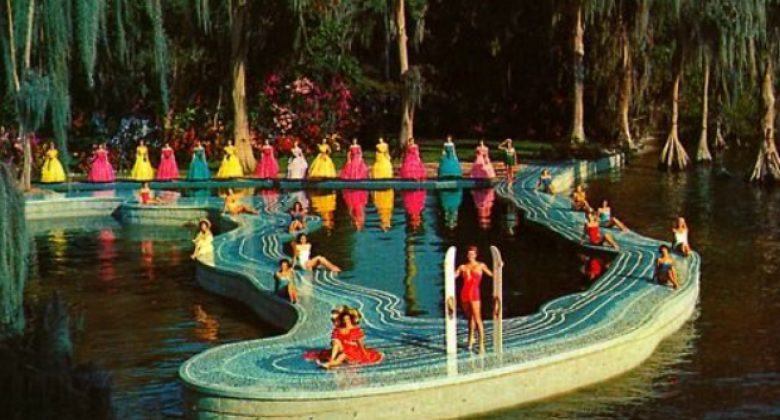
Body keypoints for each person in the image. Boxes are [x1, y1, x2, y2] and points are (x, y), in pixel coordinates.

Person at [309, 306, 383, 369]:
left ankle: (330, 364)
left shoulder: (355, 330)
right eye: (344, 319)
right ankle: (332, 359)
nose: (346, 321)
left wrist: (365, 353)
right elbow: (334, 341)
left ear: (351, 320)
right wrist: (334, 342)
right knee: (336, 341)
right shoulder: (339, 329)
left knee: (343, 355)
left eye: (348, 319)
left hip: (353, 351)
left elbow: (360, 344)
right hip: (342, 347)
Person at [455, 246, 493, 354]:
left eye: (473, 254)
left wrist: (500, 266)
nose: (471, 256)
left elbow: (492, 274)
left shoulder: (481, 265)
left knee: (477, 319)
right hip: (464, 294)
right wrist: (447, 268)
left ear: (476, 255)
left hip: (475, 294)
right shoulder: (463, 267)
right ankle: (470, 339)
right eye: (469, 254)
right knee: (469, 318)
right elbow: (454, 276)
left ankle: (481, 344)